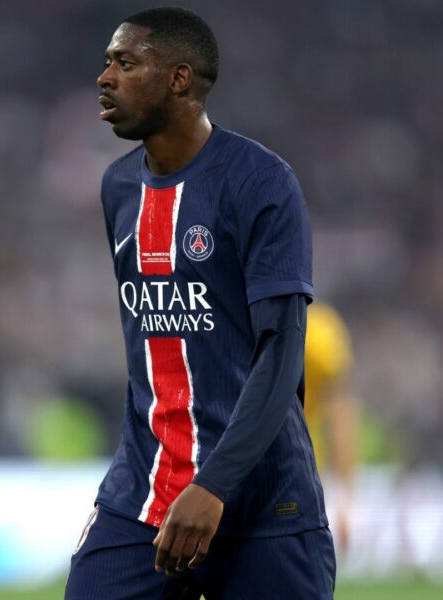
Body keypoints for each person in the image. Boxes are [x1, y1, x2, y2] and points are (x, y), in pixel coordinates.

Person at [65, 7, 334, 599]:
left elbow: (281, 355)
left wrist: (213, 484)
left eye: (125, 63)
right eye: (108, 63)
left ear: (179, 79)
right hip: (144, 496)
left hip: (262, 506)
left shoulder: (261, 182)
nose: (104, 78)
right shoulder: (118, 188)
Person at [304, 301, 360, 552]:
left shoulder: (319, 333)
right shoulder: (318, 330)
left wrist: (344, 498)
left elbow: (340, 414)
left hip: (296, 468)